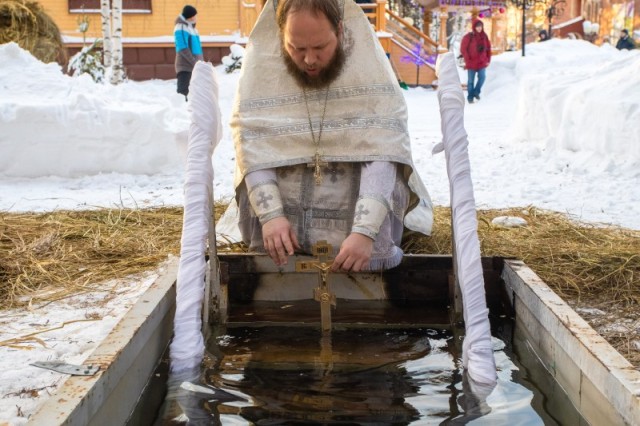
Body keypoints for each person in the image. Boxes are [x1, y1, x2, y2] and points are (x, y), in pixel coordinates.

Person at [229, 0, 433, 272]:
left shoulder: (369, 72)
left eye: (320, 47)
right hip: (280, 215)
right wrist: (271, 217)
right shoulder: (263, 76)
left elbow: (384, 152)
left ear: (339, 30)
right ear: (280, 36)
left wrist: (364, 232)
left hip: (356, 217)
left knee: (391, 178)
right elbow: (253, 147)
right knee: (250, 182)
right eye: (297, 48)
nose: (309, 60)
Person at [174, 5, 203, 100]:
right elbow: (182, 48)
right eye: (194, 16)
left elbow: (197, 49)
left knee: (195, 97)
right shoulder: (181, 27)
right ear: (190, 16)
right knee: (183, 95)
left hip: (195, 67)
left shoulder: (193, 29)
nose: (196, 18)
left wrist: (200, 63)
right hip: (185, 67)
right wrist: (195, 62)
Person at [460, 19, 491, 104]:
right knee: (470, 81)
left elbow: (488, 49)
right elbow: (463, 49)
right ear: (474, 27)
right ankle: (470, 97)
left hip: (482, 62)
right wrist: (467, 59)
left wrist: (488, 59)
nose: (479, 28)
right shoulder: (468, 36)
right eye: (477, 26)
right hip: (471, 62)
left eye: (480, 26)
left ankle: (476, 92)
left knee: (482, 77)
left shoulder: (485, 36)